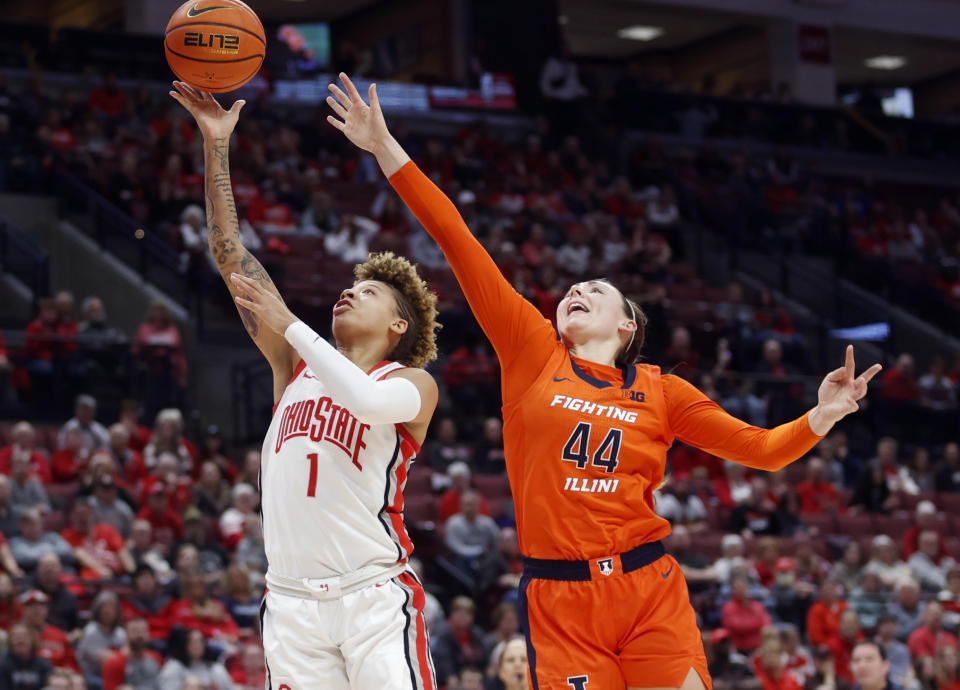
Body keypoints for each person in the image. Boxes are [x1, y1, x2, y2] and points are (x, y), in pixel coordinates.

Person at [327, 70, 883, 689]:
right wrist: (386, 150)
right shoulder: (532, 352)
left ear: (626, 326)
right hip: (559, 600)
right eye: (572, 288)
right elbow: (458, 241)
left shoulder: (663, 390)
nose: (576, 291)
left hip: (649, 591)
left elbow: (759, 450)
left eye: (595, 291)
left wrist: (822, 416)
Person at [170, 79, 442, 690]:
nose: (348, 291)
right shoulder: (292, 368)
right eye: (349, 285)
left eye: (367, 292)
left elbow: (367, 401)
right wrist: (216, 145)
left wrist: (288, 321)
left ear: (399, 324)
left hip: (373, 596)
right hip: (289, 603)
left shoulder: (411, 383)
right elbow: (229, 251)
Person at [100, 618, 163, 690]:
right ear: (126, 634)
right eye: (135, 631)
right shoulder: (114, 663)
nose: (140, 635)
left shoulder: (156, 657)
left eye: (143, 631)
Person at [0, 623, 53, 690]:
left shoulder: (44, 665)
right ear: (10, 641)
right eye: (16, 637)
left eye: (24, 637)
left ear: (33, 640)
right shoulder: (2, 664)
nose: (20, 641)